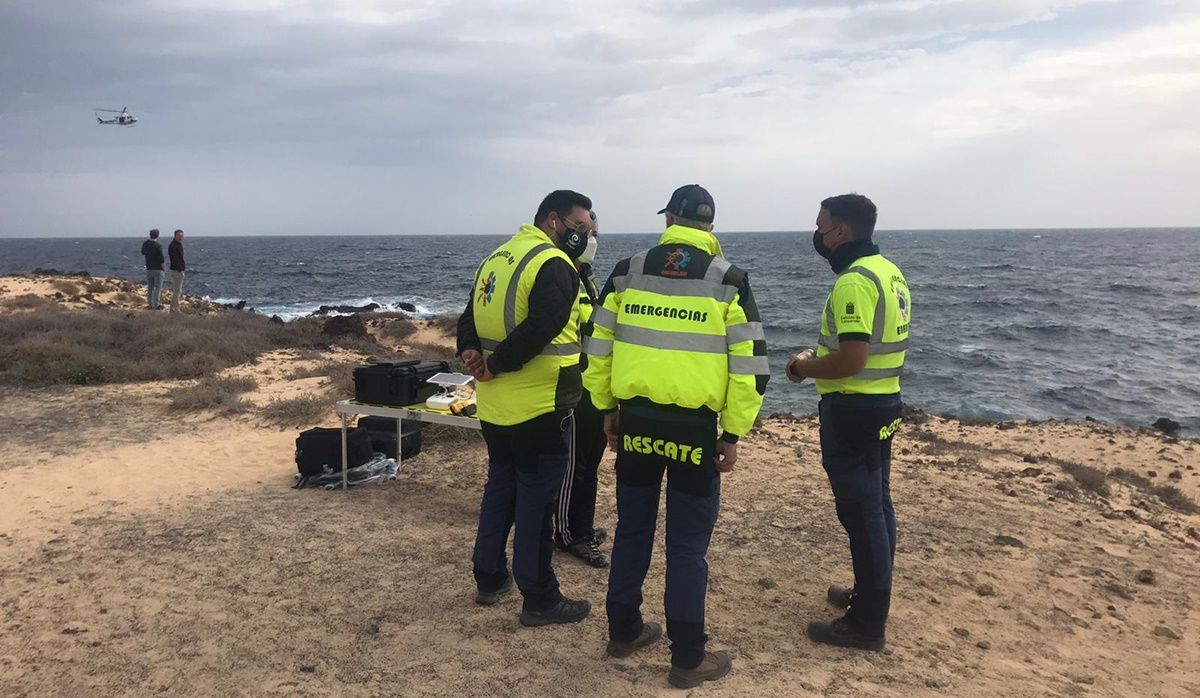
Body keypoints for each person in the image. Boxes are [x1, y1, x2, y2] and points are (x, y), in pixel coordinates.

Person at [584, 184, 769, 688]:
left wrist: (606, 408)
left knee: (633, 530)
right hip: (694, 431)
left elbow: (596, 346)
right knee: (687, 547)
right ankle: (687, 659)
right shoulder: (728, 280)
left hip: (636, 422)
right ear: (710, 226)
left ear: (670, 220)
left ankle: (623, 631)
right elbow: (750, 368)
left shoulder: (627, 271)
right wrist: (732, 432)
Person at [456, 189, 595, 627]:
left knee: (501, 488)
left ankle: (489, 575)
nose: (585, 236)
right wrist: (493, 364)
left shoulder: (498, 257)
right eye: (580, 228)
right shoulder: (552, 265)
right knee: (537, 502)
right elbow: (541, 328)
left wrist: (471, 355)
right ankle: (539, 596)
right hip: (539, 403)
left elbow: (468, 319)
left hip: (496, 406)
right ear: (554, 221)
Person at [785, 193, 911, 652]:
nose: (817, 235)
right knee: (877, 506)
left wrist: (802, 367)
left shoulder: (854, 282)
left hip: (854, 409)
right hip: (884, 405)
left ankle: (866, 625)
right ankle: (870, 597)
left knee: (862, 514)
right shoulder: (889, 272)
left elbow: (852, 359)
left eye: (821, 226)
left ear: (840, 231)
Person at [553, 209, 610, 568]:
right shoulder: (560, 276)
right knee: (573, 467)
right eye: (585, 231)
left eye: (595, 233)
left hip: (596, 388)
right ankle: (564, 533)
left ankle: (582, 528)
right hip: (572, 388)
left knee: (590, 465)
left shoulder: (585, 276)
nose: (591, 240)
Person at [140, 229, 165, 310]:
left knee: (150, 288)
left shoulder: (145, 244)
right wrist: (164, 268)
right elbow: (161, 259)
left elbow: (142, 252)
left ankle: (150, 304)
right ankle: (156, 304)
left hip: (149, 268)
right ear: (157, 235)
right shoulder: (158, 245)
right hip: (158, 269)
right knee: (158, 287)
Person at [167, 229, 187, 313]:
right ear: (175, 236)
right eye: (179, 236)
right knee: (177, 291)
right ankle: (176, 309)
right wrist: (180, 269)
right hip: (176, 270)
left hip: (177, 269)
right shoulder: (174, 246)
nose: (181, 238)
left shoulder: (178, 245)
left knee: (177, 290)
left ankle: (173, 308)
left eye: (182, 236)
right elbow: (175, 259)